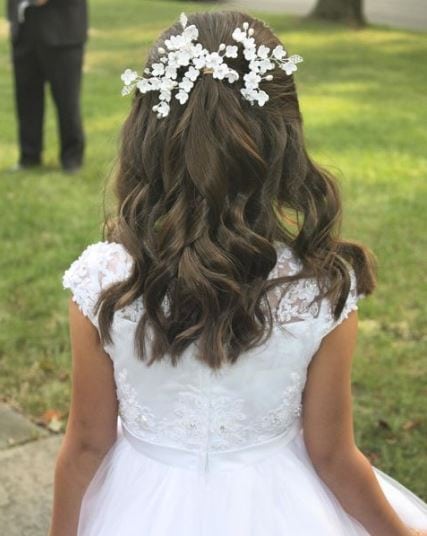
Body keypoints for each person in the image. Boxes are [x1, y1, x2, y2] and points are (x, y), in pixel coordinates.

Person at [50, 11, 427, 536]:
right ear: (282, 138)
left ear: (145, 133)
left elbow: (88, 446)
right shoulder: (318, 291)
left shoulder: (103, 282)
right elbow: (334, 458)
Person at [7, 0, 88, 173]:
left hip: (63, 30)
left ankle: (72, 158)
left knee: (67, 100)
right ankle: (29, 156)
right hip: (24, 30)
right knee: (26, 98)